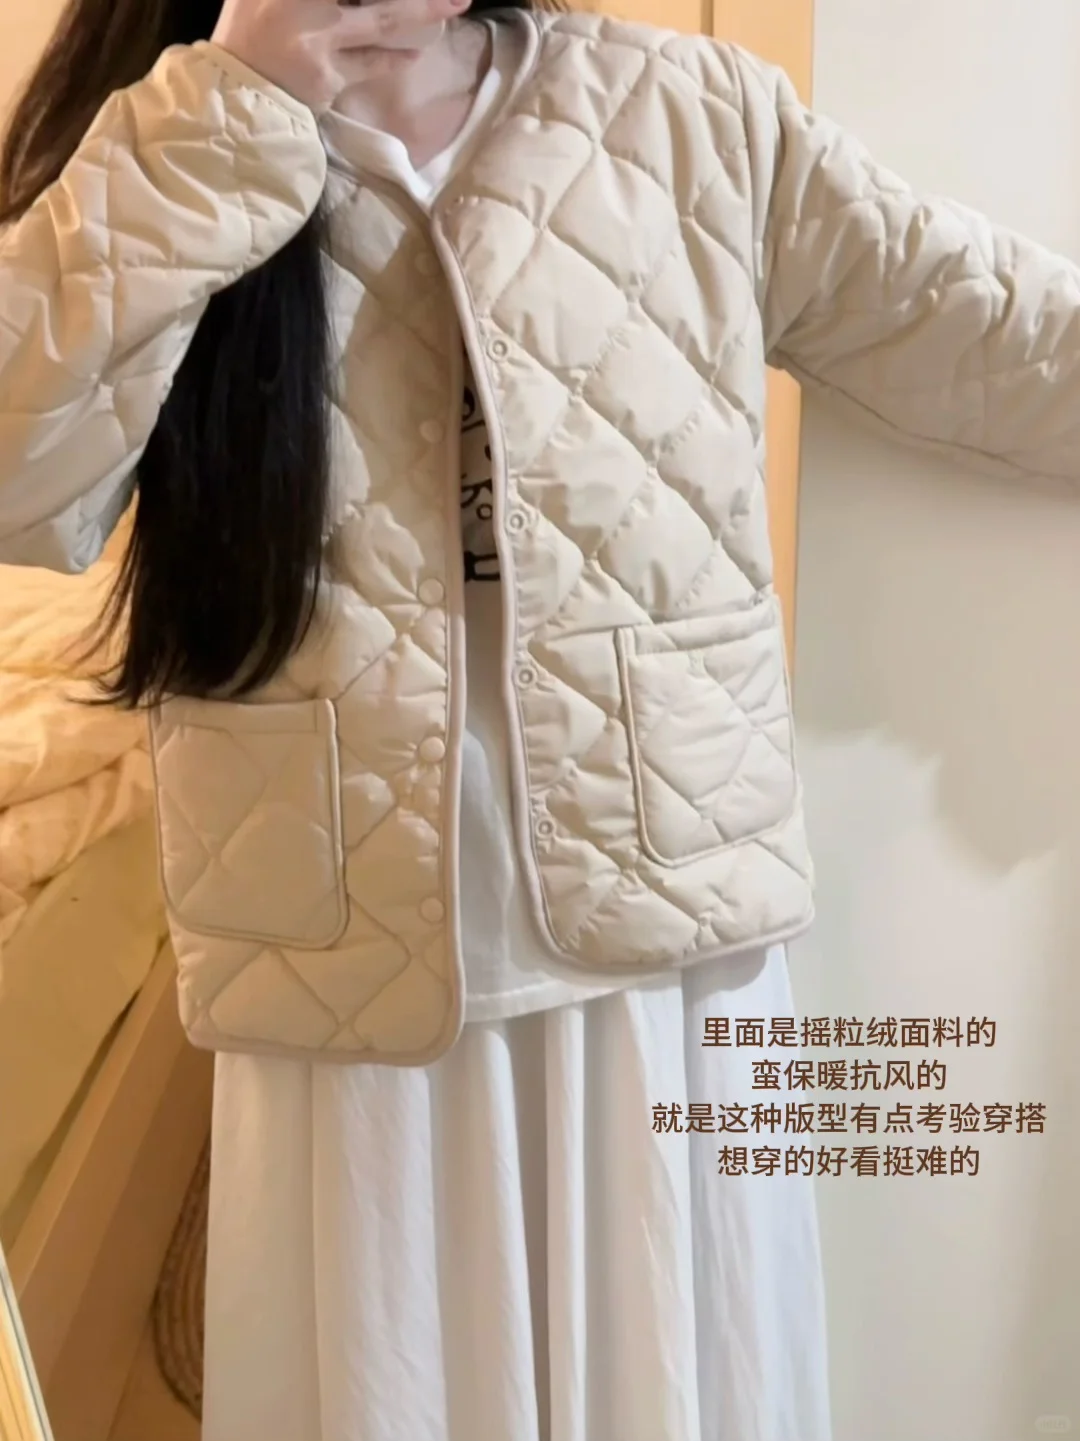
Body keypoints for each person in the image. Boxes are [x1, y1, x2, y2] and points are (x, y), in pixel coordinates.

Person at [2, 0, 1080, 1436]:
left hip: (665, 959)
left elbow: (986, 329)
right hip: (343, 981)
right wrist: (231, 104)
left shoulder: (687, 111)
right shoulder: (163, 124)